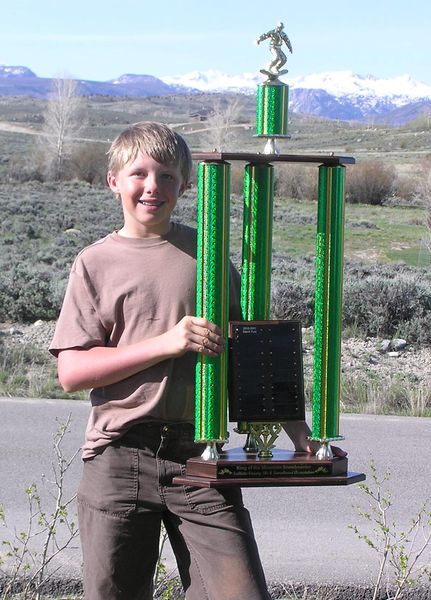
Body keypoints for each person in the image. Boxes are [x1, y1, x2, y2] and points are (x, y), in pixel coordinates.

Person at [50, 121, 345, 600]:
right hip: (120, 454)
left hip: (201, 457)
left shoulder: (207, 258)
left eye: (167, 176)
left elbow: (254, 359)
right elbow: (72, 372)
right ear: (114, 181)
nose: (153, 187)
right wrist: (167, 343)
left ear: (186, 185)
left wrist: (303, 437)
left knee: (240, 592)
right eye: (139, 174)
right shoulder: (95, 262)